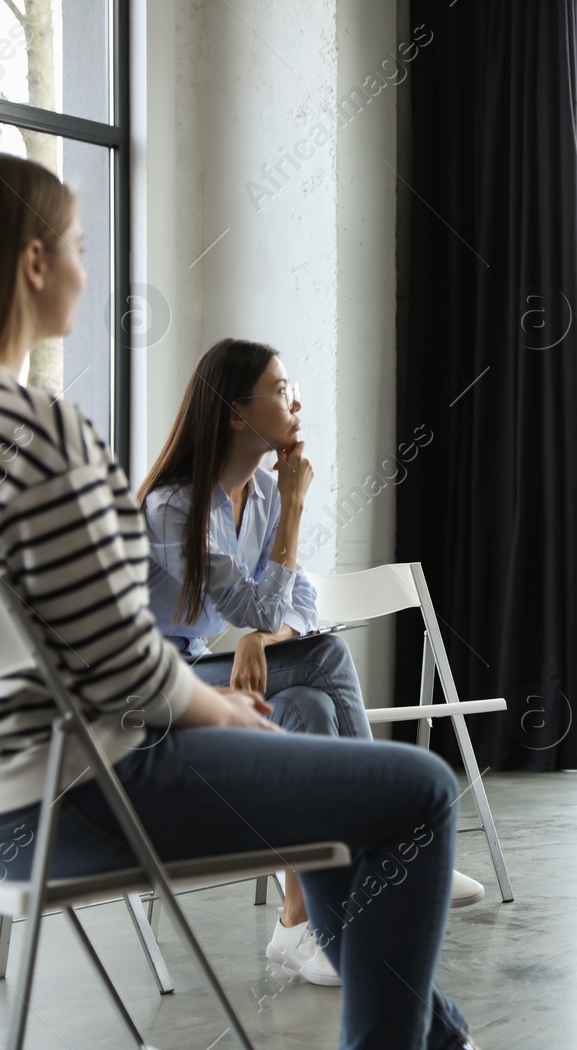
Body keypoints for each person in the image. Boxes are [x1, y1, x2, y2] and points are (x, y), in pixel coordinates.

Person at [0, 152, 478, 1049]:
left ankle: (436, 1035)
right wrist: (218, 708)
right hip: (81, 796)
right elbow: (126, 666)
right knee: (417, 790)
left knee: (337, 789)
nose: (86, 265)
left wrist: (211, 699)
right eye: (77, 244)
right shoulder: (37, 430)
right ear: (33, 264)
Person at [138, 338, 485, 987]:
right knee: (323, 657)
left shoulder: (261, 497)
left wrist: (259, 641)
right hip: (148, 694)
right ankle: (395, 851)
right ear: (237, 414)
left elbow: (297, 602)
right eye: (279, 388)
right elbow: (260, 604)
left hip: (202, 672)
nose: (296, 401)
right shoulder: (174, 507)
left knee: (304, 704)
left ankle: (298, 922)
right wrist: (294, 506)